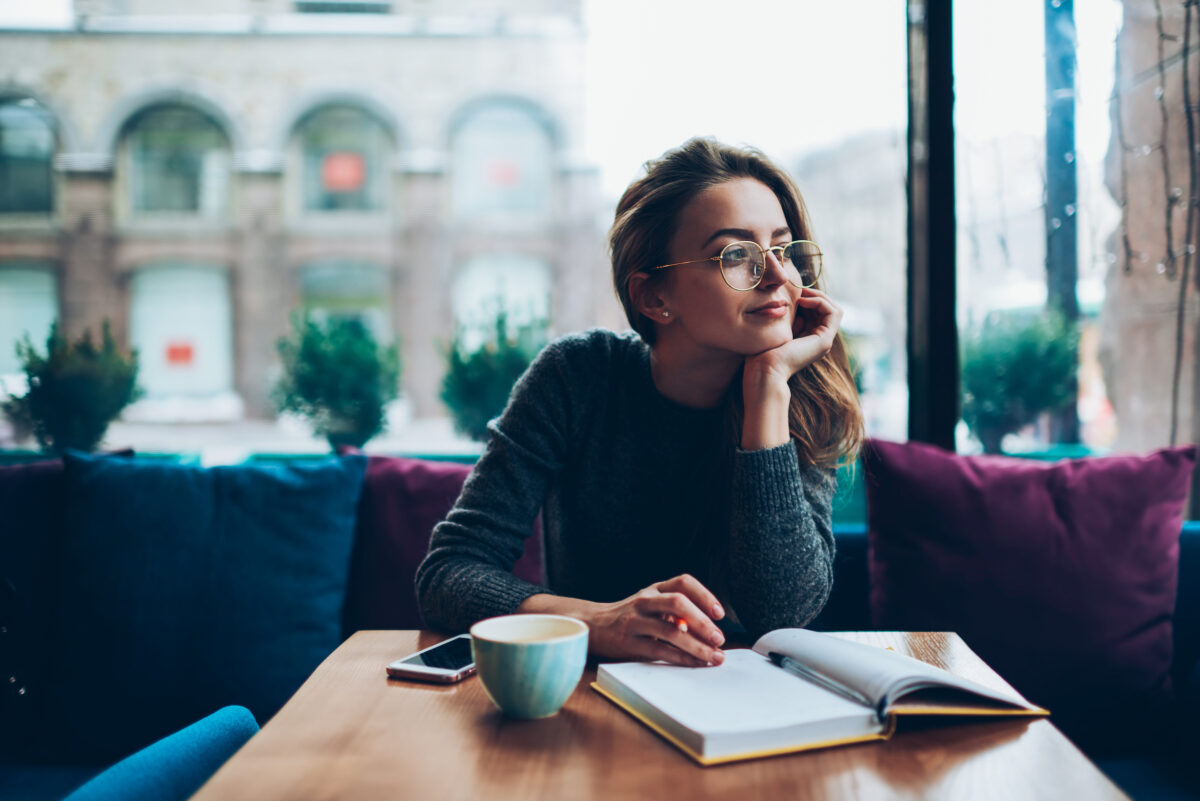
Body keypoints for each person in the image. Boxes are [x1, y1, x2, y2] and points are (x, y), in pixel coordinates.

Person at [417, 138, 863, 668]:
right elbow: (448, 572)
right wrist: (597, 623)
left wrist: (769, 387)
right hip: (592, 696)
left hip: (749, 700)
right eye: (736, 255)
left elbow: (783, 613)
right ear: (655, 297)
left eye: (784, 249)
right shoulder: (577, 377)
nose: (777, 277)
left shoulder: (804, 393)